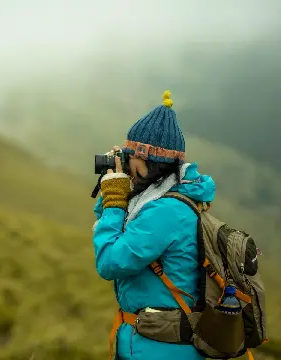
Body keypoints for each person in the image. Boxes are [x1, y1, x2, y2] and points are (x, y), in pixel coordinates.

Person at [92, 91, 216, 360]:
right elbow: (110, 226)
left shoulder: (166, 212)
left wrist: (115, 200)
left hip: (161, 350)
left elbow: (111, 262)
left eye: (129, 156)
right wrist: (114, 194)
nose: (126, 162)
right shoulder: (160, 202)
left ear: (146, 159)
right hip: (148, 344)